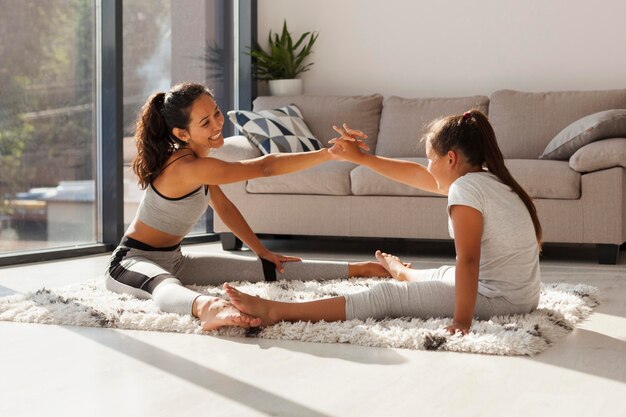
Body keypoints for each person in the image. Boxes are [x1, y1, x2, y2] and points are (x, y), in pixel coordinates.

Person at [224, 109, 543, 335]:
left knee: (387, 296)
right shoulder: (489, 180)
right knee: (443, 274)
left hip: (500, 300)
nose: (427, 167)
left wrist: (461, 321)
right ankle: (404, 272)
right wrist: (361, 158)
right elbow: (417, 175)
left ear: (451, 159)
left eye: (431, 159)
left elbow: (469, 260)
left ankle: (277, 311)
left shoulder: (465, 189)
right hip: (524, 296)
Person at [104, 82, 392, 331]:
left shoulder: (200, 165)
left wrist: (262, 251)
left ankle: (361, 269)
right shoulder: (185, 168)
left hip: (175, 259)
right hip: (132, 261)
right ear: (182, 134)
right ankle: (210, 308)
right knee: (165, 287)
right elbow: (265, 167)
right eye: (205, 123)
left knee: (267, 268)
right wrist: (328, 154)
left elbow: (225, 208)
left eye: (216, 112)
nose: (218, 123)